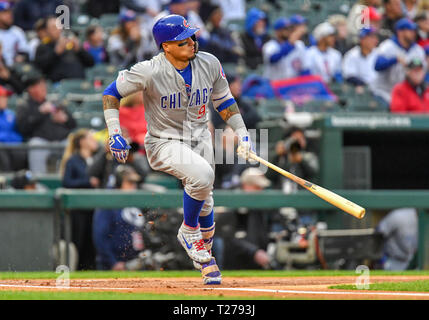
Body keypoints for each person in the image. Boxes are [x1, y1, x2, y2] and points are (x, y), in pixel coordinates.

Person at [102, 14, 256, 285]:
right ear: (166, 46)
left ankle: (206, 262)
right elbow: (110, 93)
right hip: (164, 142)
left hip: (200, 139)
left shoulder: (209, 62)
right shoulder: (149, 69)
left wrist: (242, 133)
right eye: (181, 40)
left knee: (207, 204)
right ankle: (188, 230)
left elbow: (224, 101)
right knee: (202, 178)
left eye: (191, 36)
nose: (190, 42)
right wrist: (115, 132)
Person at [215, 167, 276, 270]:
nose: (261, 191)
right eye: (257, 187)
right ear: (246, 186)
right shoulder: (231, 203)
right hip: (236, 265)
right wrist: (254, 252)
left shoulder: (260, 205)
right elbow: (229, 237)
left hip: (257, 265)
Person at [15, 74, 77, 174]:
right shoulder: (25, 106)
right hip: (41, 141)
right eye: (40, 86)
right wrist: (40, 112)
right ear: (31, 89)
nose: (44, 88)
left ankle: (67, 180)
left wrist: (65, 119)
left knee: (71, 143)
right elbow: (23, 128)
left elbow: (73, 124)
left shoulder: (54, 102)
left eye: (44, 85)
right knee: (35, 144)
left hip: (62, 141)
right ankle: (38, 181)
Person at [93, 165, 146, 270]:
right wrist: (112, 262)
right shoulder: (108, 204)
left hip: (136, 262)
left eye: (134, 183)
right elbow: (100, 237)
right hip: (113, 265)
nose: (133, 187)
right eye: (129, 183)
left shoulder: (136, 203)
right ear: (118, 183)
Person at [60, 129, 100, 270]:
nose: (94, 141)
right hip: (79, 208)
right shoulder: (73, 160)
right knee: (79, 240)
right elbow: (67, 182)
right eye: (90, 138)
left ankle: (91, 269)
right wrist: (87, 181)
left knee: (93, 241)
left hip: (96, 206)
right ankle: (76, 269)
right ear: (82, 142)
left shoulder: (96, 159)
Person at [371, 18, 426, 106]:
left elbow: (423, 73)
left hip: (406, 94)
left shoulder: (418, 50)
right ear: (400, 32)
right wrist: (394, 59)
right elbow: (377, 65)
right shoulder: (387, 46)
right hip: (384, 92)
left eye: (414, 31)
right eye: (410, 30)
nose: (413, 33)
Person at [34, 16, 95, 83]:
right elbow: (40, 68)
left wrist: (80, 50)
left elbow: (91, 63)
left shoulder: (71, 44)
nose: (58, 30)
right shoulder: (43, 47)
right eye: (54, 27)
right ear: (47, 30)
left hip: (80, 83)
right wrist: (56, 53)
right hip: (58, 85)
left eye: (59, 26)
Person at [0, 85, 26, 172]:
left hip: (13, 146)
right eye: (2, 97)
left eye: (5, 97)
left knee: (22, 153)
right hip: (2, 148)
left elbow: (18, 133)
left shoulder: (10, 114)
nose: (5, 100)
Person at [0, 1, 30, 67]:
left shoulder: (17, 31)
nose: (9, 15)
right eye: (5, 13)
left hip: (15, 68)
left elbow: (25, 52)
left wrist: (21, 57)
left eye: (10, 12)